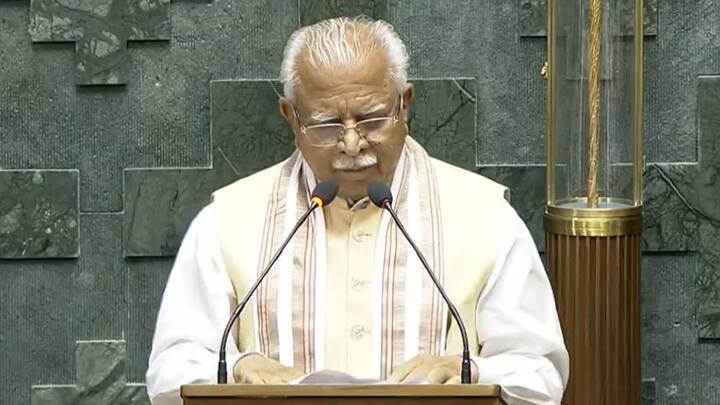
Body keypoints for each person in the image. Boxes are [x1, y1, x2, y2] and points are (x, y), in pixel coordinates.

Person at [146, 16, 569, 405]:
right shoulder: (229, 219)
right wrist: (236, 368)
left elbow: (539, 370)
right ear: (290, 117)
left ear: (404, 104)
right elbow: (171, 368)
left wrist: (471, 371)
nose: (352, 144)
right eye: (328, 124)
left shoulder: (484, 216)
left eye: (371, 119)